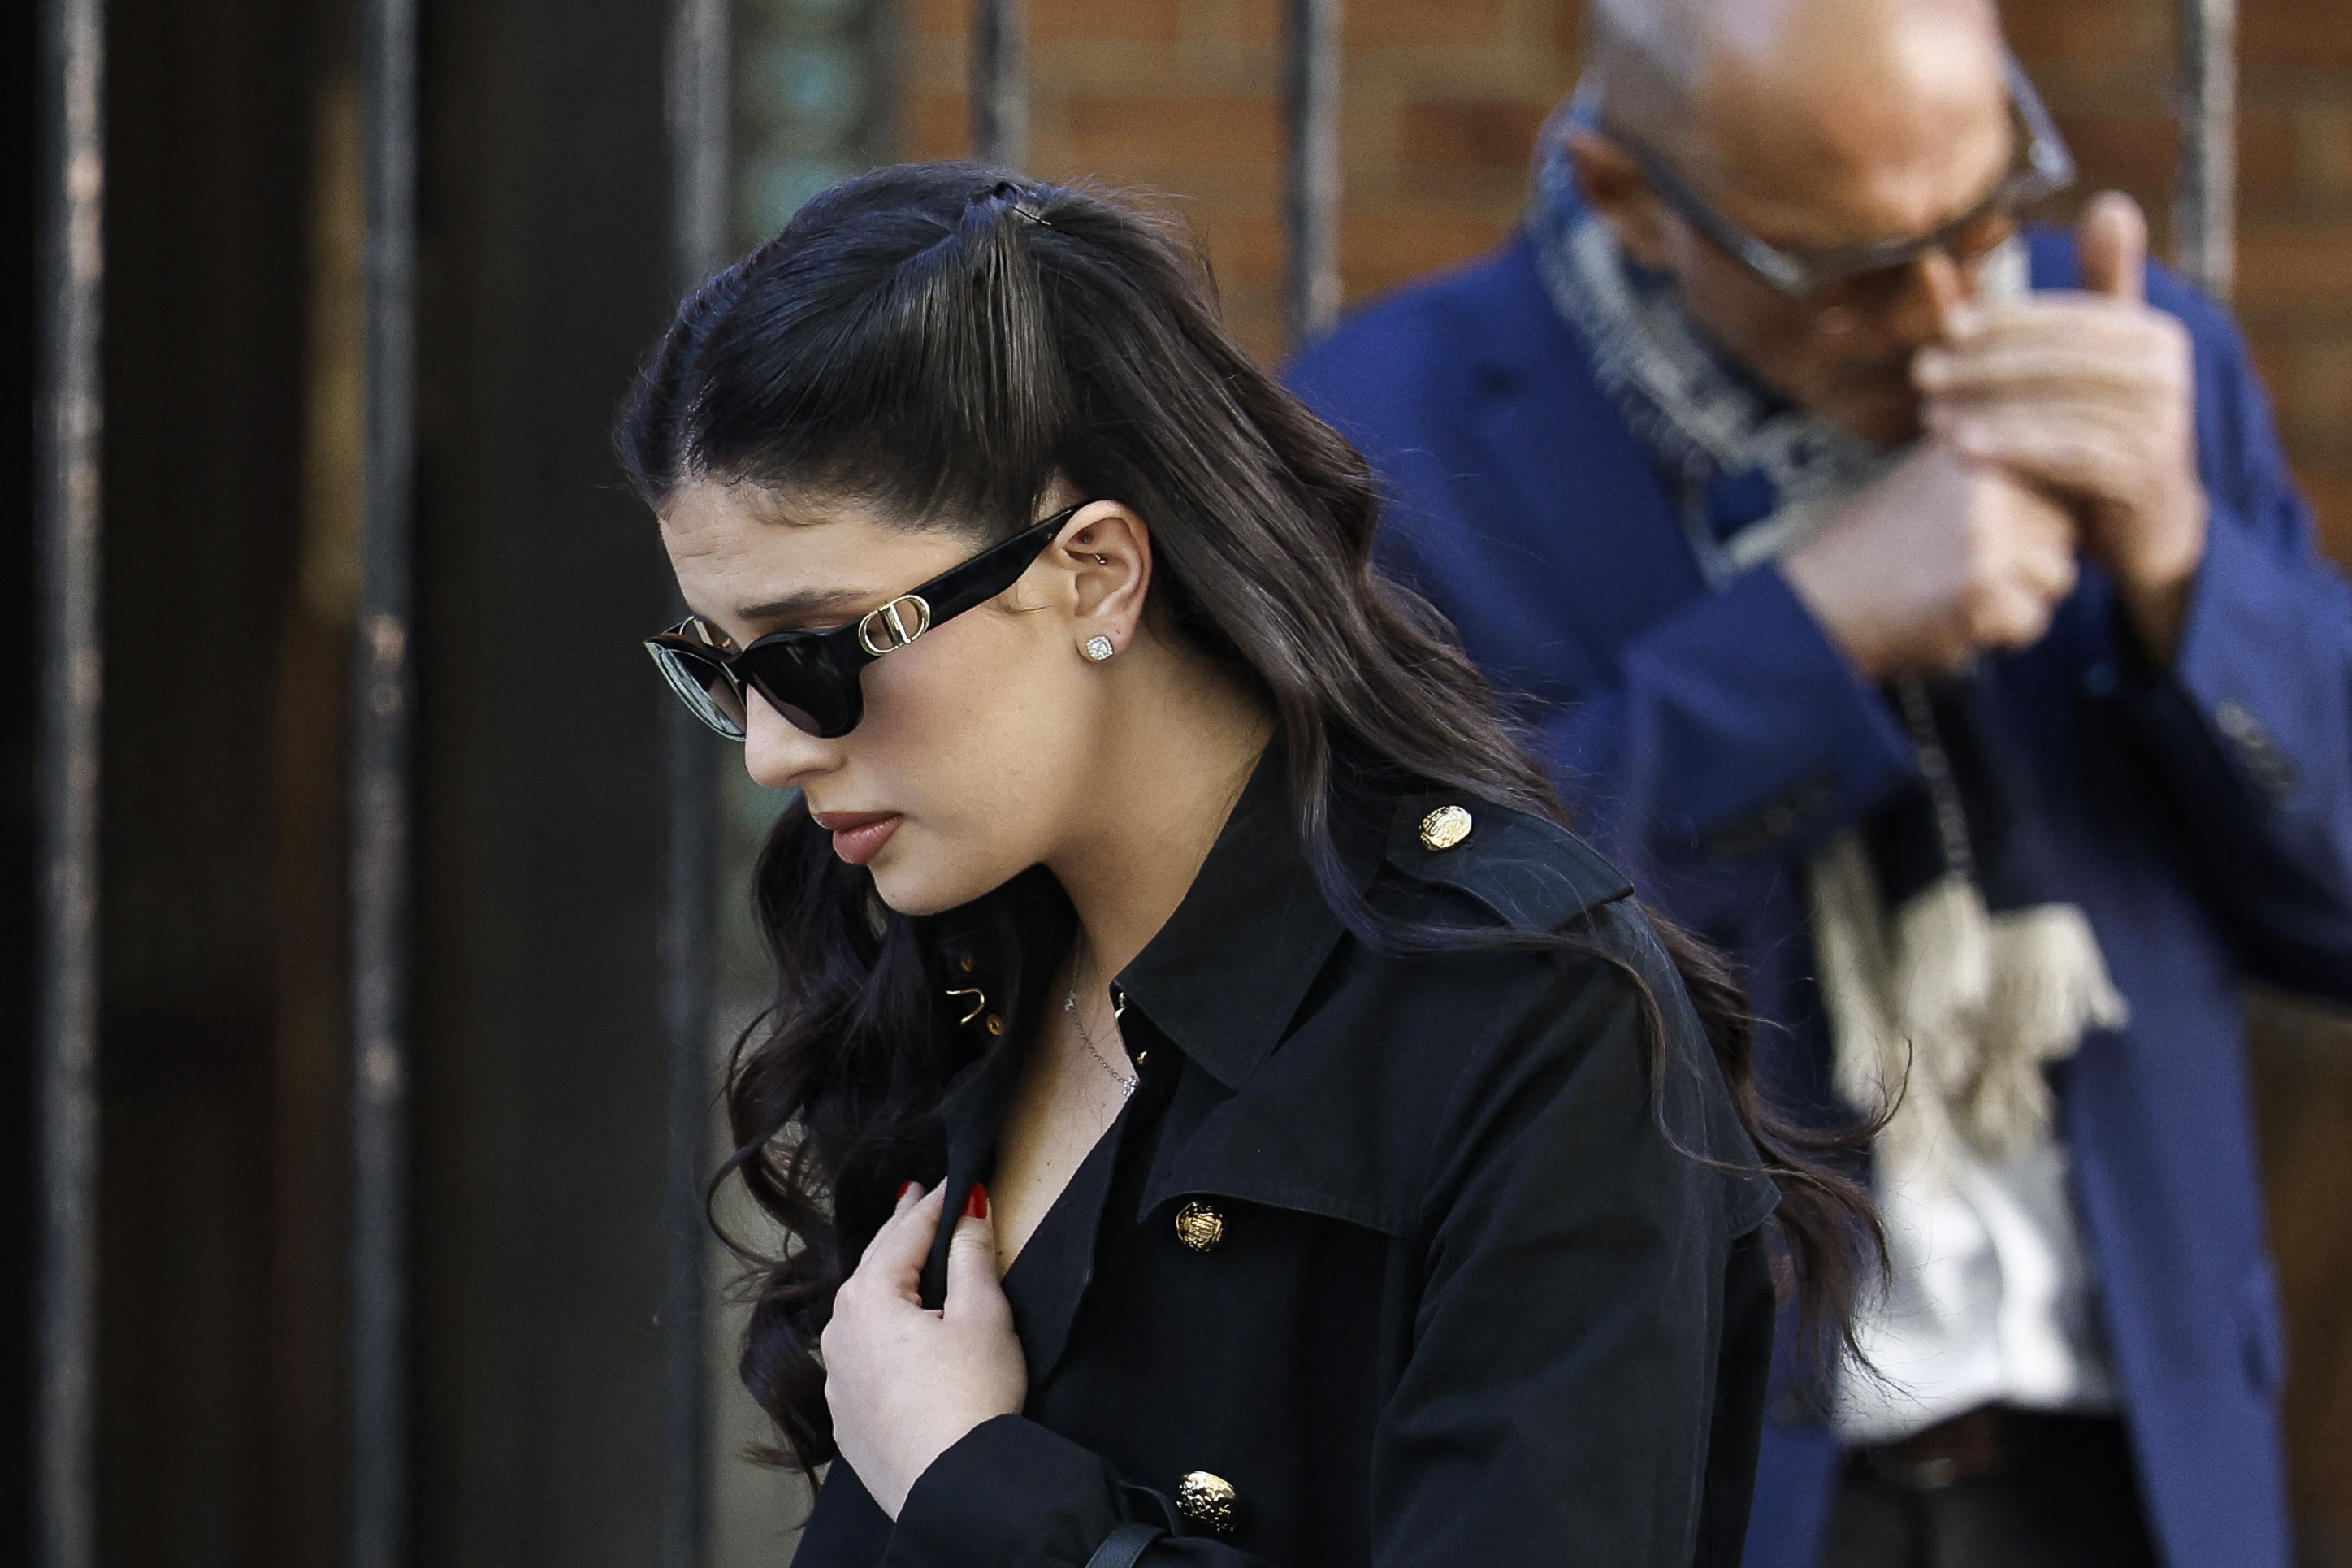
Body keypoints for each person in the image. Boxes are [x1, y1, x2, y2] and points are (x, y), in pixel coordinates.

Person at [614, 162, 1876, 1568]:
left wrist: (982, 1484)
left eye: (813, 654)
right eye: (718, 669)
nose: (771, 750)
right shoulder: (950, 962)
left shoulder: (1529, 1014)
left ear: (1095, 570)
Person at [1287, 1, 2352, 1566]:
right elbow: (1394, 966)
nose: (1942, 310)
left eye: (1984, 216)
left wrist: (2187, 571)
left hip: (2141, 1478)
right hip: (1712, 1480)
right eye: (1847, 270)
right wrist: (1810, 642)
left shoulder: (2137, 357)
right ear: (1627, 195)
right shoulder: (1386, 436)